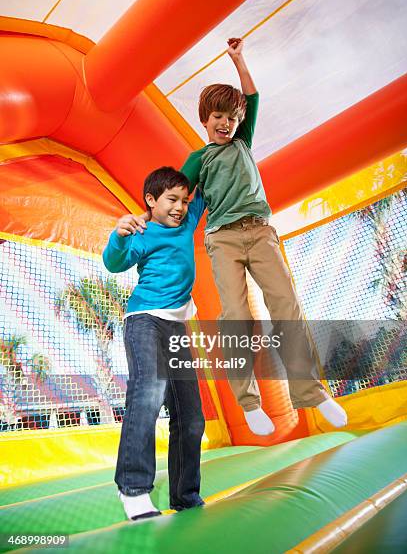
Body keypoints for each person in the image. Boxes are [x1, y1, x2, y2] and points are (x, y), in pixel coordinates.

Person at [180, 38, 347, 436]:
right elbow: (178, 196)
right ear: (205, 118)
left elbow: (252, 97)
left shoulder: (243, 141)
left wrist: (239, 61)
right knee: (237, 315)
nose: (225, 123)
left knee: (286, 304)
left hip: (261, 232)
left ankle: (310, 391)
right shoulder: (198, 159)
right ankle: (248, 402)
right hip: (222, 239)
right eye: (218, 116)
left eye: (232, 118)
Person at [103, 166, 205, 521]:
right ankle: (133, 489)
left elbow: (200, 167)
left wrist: (228, 126)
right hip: (144, 320)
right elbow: (113, 263)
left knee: (192, 417)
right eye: (171, 200)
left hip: (176, 328)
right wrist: (119, 233)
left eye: (184, 200)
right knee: (148, 393)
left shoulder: (188, 221)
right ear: (151, 201)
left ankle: (186, 495)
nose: (179, 206)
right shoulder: (143, 232)